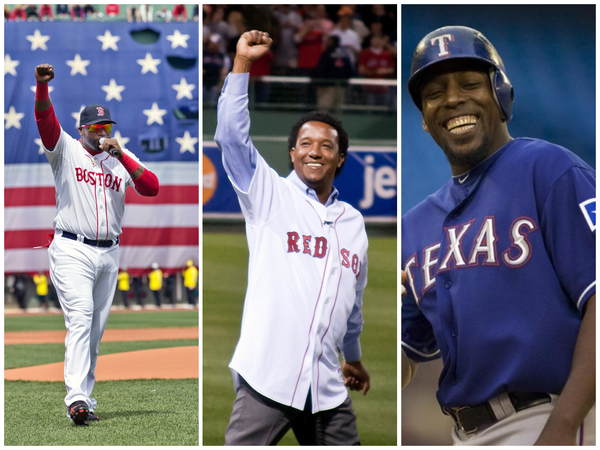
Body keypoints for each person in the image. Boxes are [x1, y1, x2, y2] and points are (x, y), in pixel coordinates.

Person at [401, 26, 595, 446]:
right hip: (463, 432)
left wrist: (562, 427)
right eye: (434, 92)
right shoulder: (415, 226)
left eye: (470, 84)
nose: (452, 99)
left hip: (552, 414)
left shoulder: (550, 169)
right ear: (423, 117)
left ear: (501, 94)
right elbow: (406, 359)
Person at [215, 30, 370, 446]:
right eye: (305, 144)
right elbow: (231, 137)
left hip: (328, 390)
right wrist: (242, 64)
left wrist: (352, 360)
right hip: (269, 381)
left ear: (340, 158)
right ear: (292, 153)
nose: (314, 151)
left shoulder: (354, 223)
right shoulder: (269, 194)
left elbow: (352, 305)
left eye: (325, 145)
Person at [34, 63, 159, 426]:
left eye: (107, 126)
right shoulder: (66, 150)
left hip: (109, 251)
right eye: (96, 127)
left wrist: (121, 155)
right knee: (82, 316)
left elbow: (151, 187)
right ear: (83, 129)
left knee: (95, 330)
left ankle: (84, 398)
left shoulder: (120, 159)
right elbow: (45, 123)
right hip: (72, 247)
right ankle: (75, 398)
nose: (103, 132)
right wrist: (42, 88)